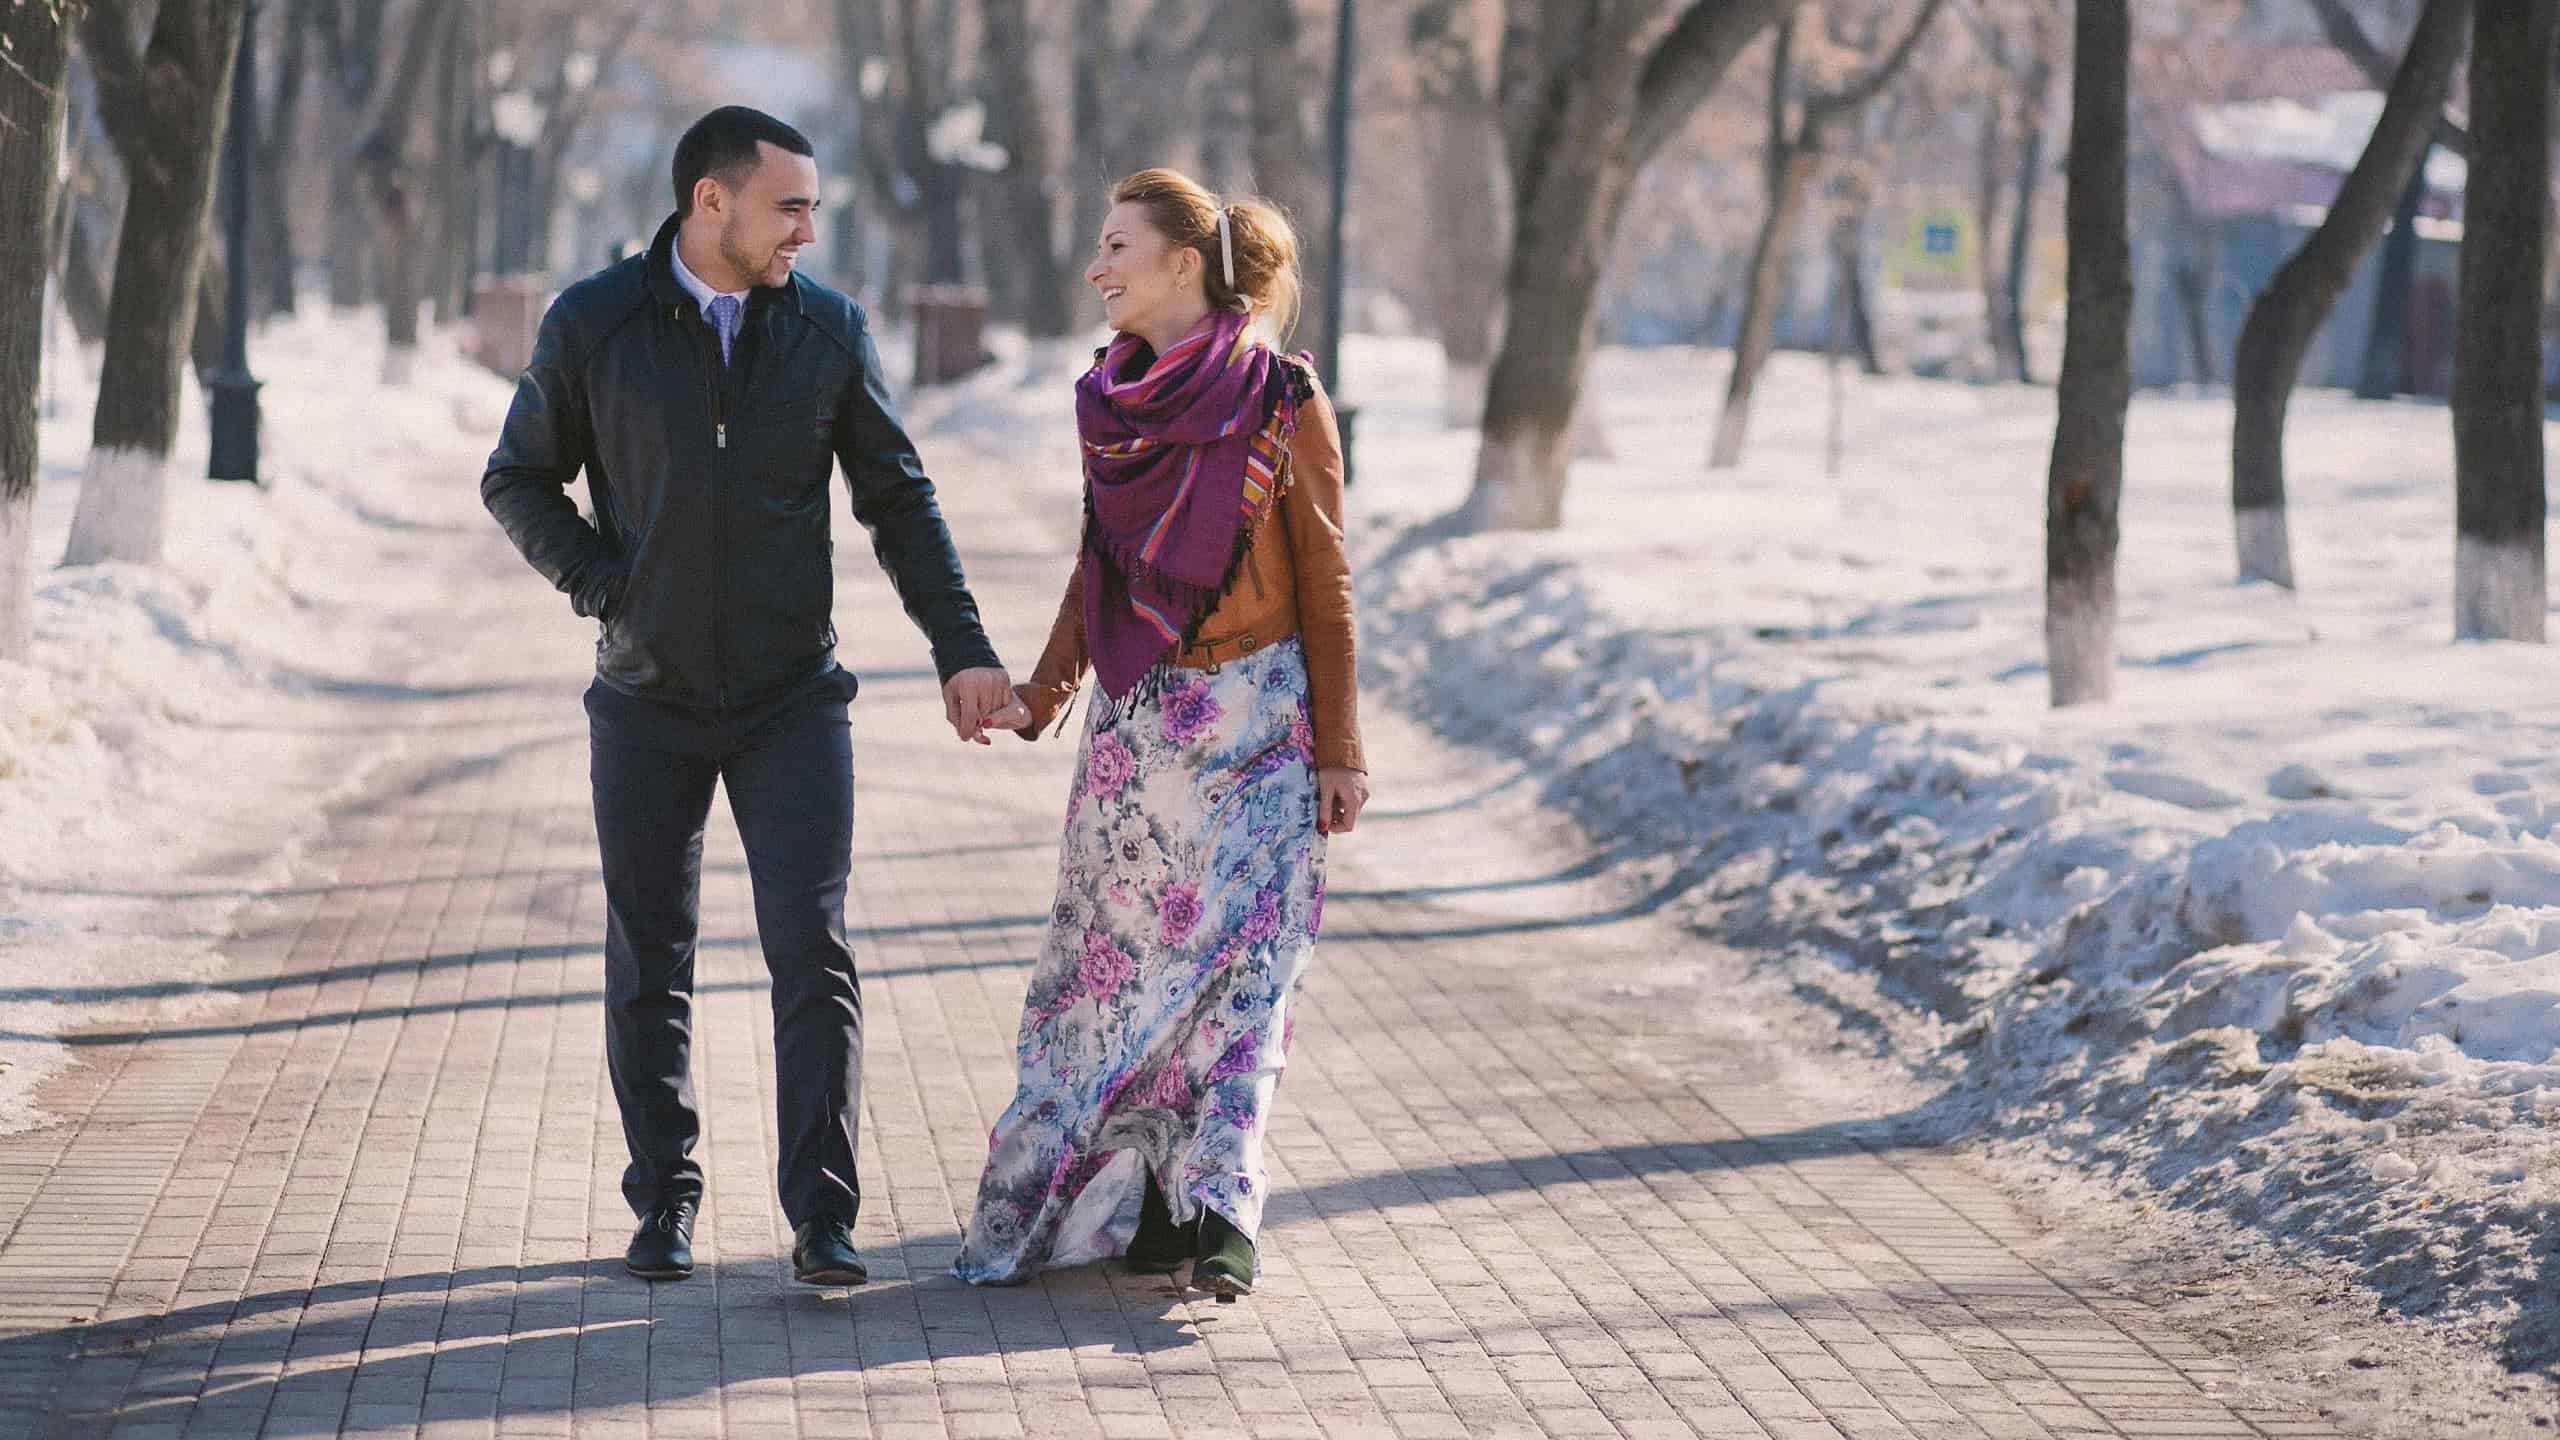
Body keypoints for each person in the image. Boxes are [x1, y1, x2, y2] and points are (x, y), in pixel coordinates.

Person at [480, 106, 1015, 1286]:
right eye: (790, 208)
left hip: (791, 702)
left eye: (814, 209)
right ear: (707, 202)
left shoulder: (824, 331)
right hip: (644, 701)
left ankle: (822, 1217)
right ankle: (663, 1200)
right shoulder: (596, 322)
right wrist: (604, 586)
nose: (807, 233)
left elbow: (901, 502)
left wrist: (960, 647)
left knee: (809, 949)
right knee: (649, 955)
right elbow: (517, 475)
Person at [952, 168, 1369, 1299]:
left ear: (1183, 265)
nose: (1096, 269)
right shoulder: (1111, 404)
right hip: (1140, 735)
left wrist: (1341, 748)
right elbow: (1100, 568)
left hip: (1265, 731)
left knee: (1247, 978)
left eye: (1115, 246)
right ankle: (1147, 1197)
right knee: (1120, 979)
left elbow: (1326, 583)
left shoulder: (1282, 397)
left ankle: (1223, 1202)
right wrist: (1043, 692)